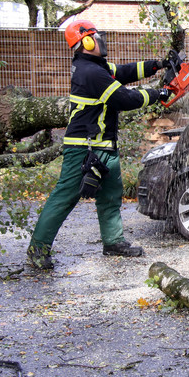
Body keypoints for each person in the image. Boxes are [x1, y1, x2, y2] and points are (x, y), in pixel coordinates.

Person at [26, 19, 170, 270]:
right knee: (65, 197)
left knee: (111, 196)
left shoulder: (97, 67)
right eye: (95, 36)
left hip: (103, 145)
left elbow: (122, 72)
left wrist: (156, 65)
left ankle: (113, 242)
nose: (101, 40)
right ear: (86, 42)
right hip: (84, 148)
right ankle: (38, 248)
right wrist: (157, 94)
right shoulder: (90, 72)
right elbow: (122, 98)